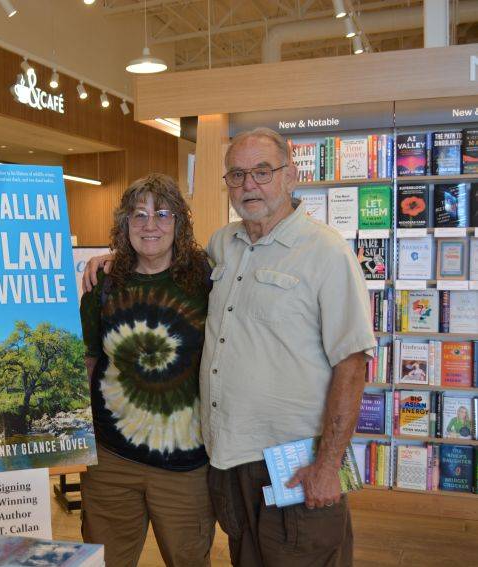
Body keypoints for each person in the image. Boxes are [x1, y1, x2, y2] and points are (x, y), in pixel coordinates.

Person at [84, 128, 375, 567]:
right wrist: (107, 257)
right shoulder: (225, 247)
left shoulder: (327, 252)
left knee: (303, 552)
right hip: (228, 458)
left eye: (262, 172)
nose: (248, 185)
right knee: (248, 555)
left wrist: (328, 465)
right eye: (237, 175)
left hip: (293, 458)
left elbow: (352, 364)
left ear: (290, 176)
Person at [79, 173, 214, 567]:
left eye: (162, 213)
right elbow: (88, 360)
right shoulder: (103, 281)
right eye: (138, 215)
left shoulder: (206, 279)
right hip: (110, 462)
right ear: (124, 224)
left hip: (185, 466)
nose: (150, 225)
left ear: (179, 223)